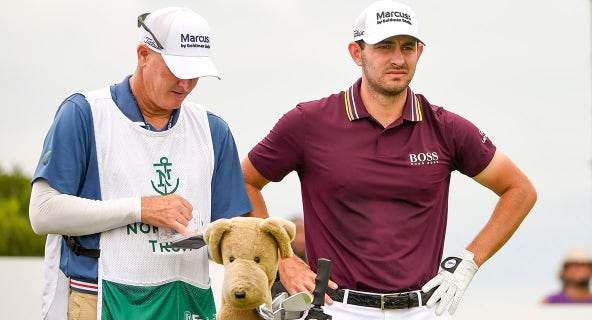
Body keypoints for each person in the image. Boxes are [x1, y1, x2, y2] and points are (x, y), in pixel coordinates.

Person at [241, 0, 537, 319]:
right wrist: (283, 257)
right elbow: (242, 180)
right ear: (357, 53)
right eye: (384, 46)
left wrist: (469, 261)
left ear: (419, 54)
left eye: (408, 47)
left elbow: (519, 190)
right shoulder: (308, 122)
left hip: (424, 309)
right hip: (336, 308)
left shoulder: (446, 128)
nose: (398, 59)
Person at [29, 7, 254, 320]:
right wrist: (142, 208)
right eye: (177, 69)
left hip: (186, 299)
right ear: (143, 54)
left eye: (195, 73)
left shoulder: (214, 130)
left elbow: (232, 236)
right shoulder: (84, 114)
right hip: (100, 297)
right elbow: (42, 213)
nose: (186, 84)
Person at [271, 215, 307, 297]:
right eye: (296, 233)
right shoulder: (274, 271)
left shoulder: (313, 268)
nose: (301, 239)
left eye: (304, 233)